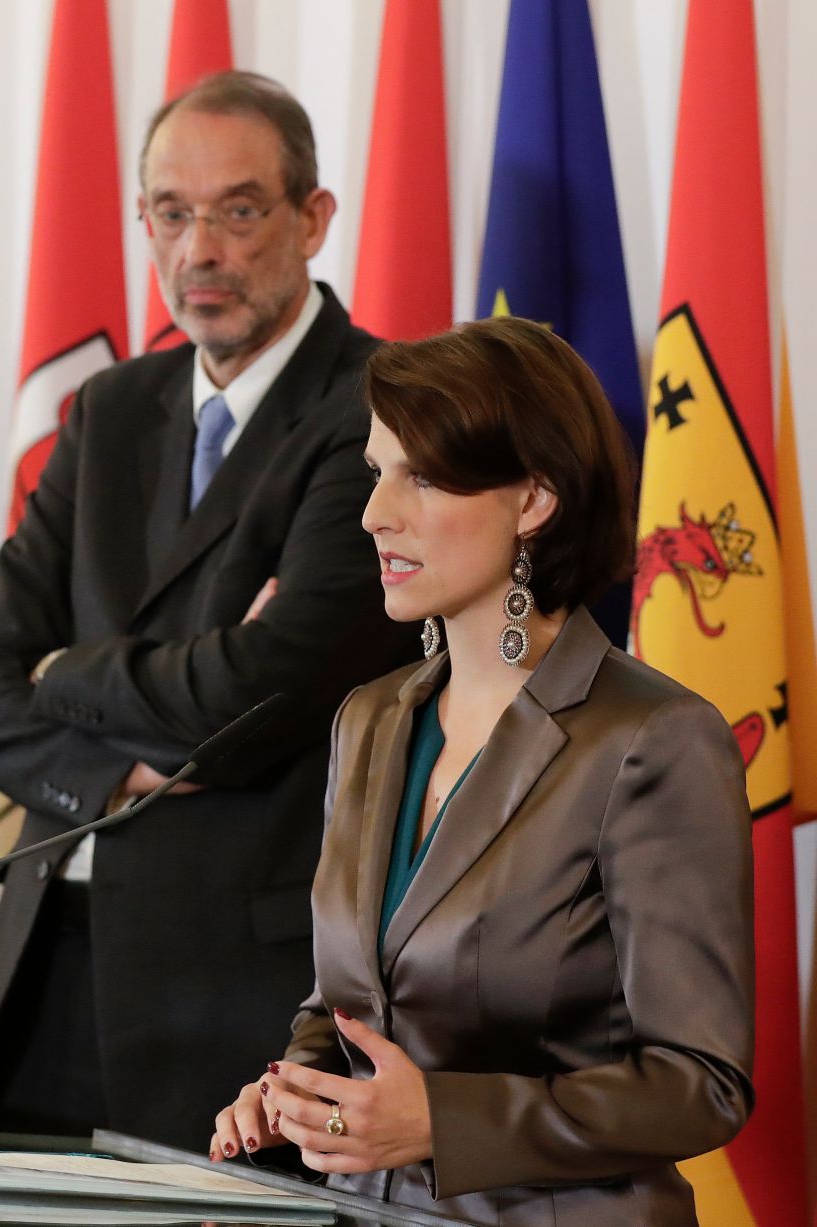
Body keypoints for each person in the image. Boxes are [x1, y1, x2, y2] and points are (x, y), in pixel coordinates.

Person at [0, 70, 417, 1148]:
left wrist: (61, 671)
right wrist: (114, 771)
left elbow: (249, 703)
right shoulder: (109, 409)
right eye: (170, 212)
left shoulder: (379, 408)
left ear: (312, 219)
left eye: (238, 211)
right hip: (44, 957)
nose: (200, 248)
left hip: (233, 999)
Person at [210, 317, 753, 1225]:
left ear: (533, 499)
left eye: (419, 476)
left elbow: (700, 1082)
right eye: (377, 472)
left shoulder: (653, 738)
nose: (375, 511)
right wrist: (293, 1089)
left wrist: (443, 1121)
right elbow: (346, 1001)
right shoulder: (373, 717)